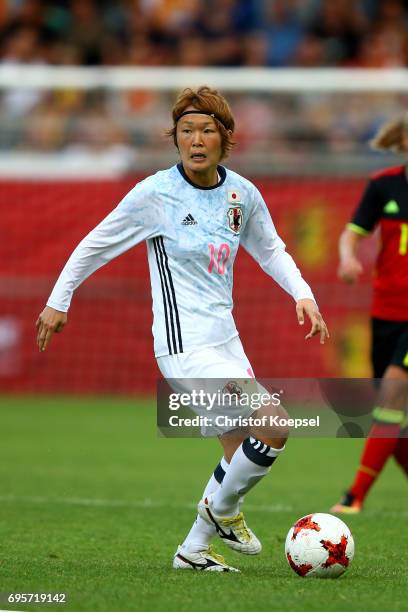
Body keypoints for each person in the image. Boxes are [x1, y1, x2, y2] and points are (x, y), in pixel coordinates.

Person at [36, 86, 329, 572]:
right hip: (183, 346)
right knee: (275, 423)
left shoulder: (242, 194)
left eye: (206, 130)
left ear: (225, 138)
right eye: (186, 131)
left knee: (241, 454)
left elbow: (272, 249)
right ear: (175, 137)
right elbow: (94, 244)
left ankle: (192, 550)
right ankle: (223, 511)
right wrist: (57, 301)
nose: (196, 140)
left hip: (226, 342)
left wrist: (304, 294)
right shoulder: (156, 193)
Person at [332, 113, 408, 514]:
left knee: (391, 401)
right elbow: (352, 232)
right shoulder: (383, 185)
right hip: (385, 314)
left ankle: (354, 496)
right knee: (394, 423)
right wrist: (347, 258)